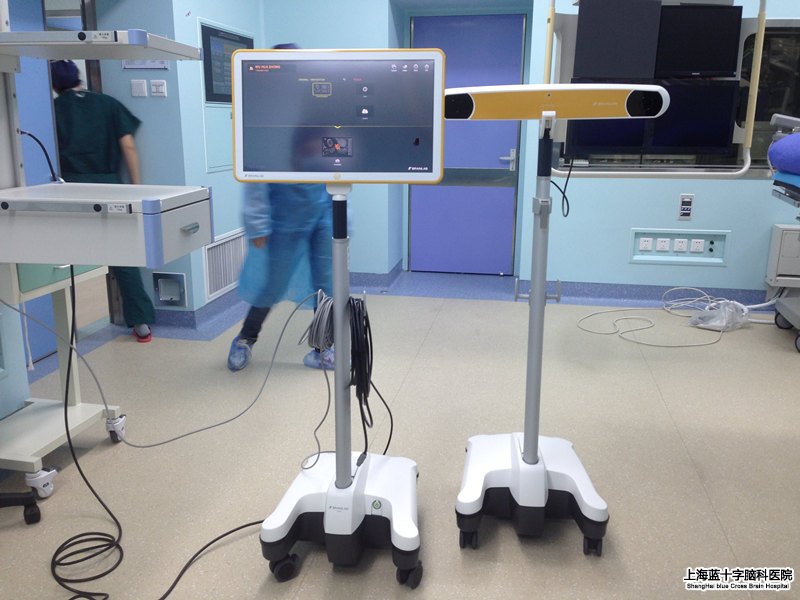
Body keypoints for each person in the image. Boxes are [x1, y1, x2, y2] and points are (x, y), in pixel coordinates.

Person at [50, 59, 155, 343]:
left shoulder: (52, 110)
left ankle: (59, 328)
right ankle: (141, 323)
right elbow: (128, 145)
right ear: (79, 78)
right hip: (110, 187)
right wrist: (136, 189)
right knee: (122, 253)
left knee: (60, 256)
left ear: (54, 85)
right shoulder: (108, 104)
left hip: (69, 190)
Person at [227, 181, 334, 371]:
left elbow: (339, 175)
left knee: (325, 284)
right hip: (285, 213)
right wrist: (257, 223)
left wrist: (343, 216)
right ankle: (245, 338)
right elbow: (255, 178)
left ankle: (323, 349)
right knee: (274, 285)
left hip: (323, 210)